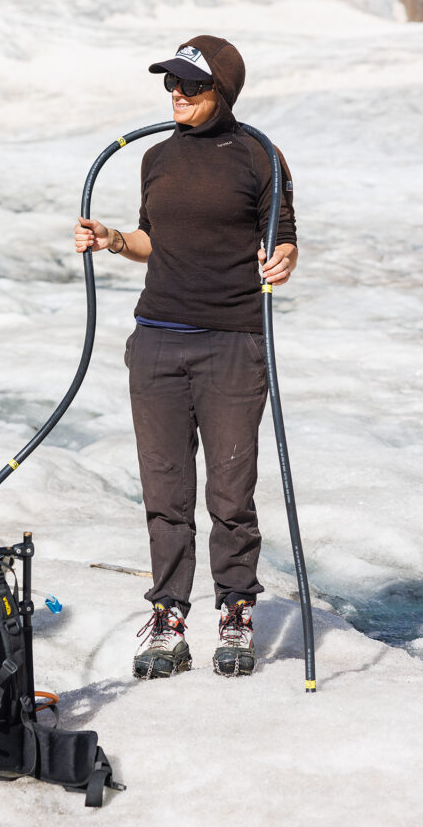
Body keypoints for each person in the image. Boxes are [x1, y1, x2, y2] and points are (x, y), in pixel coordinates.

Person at [74, 35, 297, 679]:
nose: (174, 93)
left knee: (232, 493)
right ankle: (170, 617)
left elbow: (284, 240)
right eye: (169, 83)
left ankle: (235, 613)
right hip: (157, 341)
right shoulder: (156, 158)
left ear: (220, 92)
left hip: (232, 342)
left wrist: (283, 260)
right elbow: (154, 239)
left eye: (189, 85)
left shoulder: (259, 156)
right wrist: (115, 239)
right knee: (165, 492)